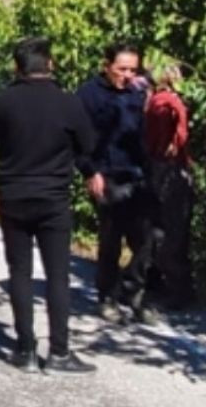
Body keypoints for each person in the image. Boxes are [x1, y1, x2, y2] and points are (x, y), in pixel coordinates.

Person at [0, 37, 97, 374]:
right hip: (53, 199)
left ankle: (25, 349)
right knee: (58, 275)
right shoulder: (68, 103)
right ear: (51, 64)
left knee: (20, 272)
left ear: (17, 67)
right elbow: (88, 144)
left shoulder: (4, 100)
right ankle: (59, 353)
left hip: (13, 195)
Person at [77, 41, 156, 324]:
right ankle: (107, 297)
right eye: (122, 69)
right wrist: (90, 172)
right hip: (106, 173)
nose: (127, 75)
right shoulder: (89, 95)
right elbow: (78, 138)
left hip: (137, 173)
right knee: (111, 240)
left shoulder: (139, 91)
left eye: (133, 69)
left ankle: (133, 292)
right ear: (107, 66)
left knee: (147, 239)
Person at [144, 63, 196, 310]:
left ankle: (177, 290)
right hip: (178, 169)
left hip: (165, 168)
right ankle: (175, 286)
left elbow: (167, 137)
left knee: (167, 231)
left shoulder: (161, 102)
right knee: (174, 230)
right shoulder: (175, 100)